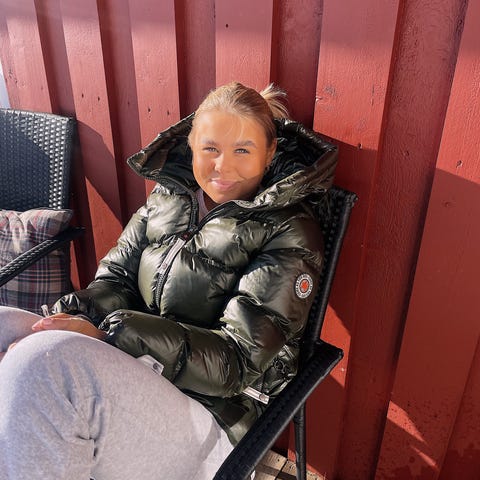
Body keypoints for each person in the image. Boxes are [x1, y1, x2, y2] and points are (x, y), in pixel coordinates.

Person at [0, 82, 338, 479]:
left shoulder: (290, 232)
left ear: (269, 153)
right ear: (192, 145)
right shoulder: (169, 198)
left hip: (214, 416)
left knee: (47, 365)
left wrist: (111, 335)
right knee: (7, 327)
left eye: (242, 150)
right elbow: (116, 279)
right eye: (210, 148)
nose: (222, 166)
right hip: (138, 372)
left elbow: (235, 362)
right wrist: (71, 318)